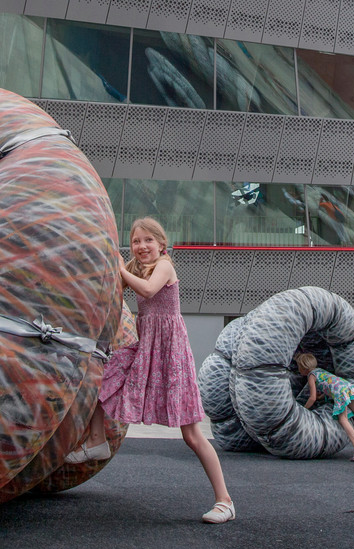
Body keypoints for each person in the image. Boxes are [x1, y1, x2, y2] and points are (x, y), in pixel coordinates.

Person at [66, 217, 236, 524]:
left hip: (170, 353)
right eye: (135, 241)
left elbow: (146, 289)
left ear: (162, 245)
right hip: (146, 347)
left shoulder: (164, 267)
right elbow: (112, 285)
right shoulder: (134, 267)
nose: (141, 246)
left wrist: (118, 267)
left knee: (192, 435)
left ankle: (224, 500)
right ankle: (96, 441)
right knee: (104, 379)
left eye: (148, 240)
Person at [295, 352, 354, 462]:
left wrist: (304, 409)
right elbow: (328, 386)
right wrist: (322, 397)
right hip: (347, 387)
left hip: (340, 393)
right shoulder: (320, 371)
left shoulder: (311, 376)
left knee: (343, 419)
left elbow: (312, 398)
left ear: (303, 367)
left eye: (299, 367)